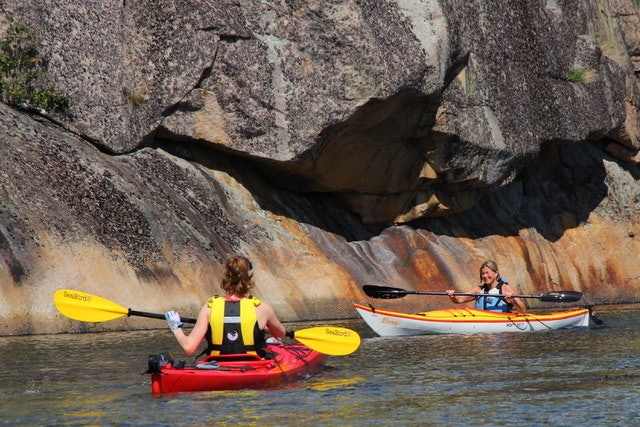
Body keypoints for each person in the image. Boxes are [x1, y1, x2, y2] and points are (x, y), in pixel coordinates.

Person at [164, 256, 286, 357]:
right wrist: (262, 328)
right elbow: (280, 334)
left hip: (217, 366)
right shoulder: (261, 308)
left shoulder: (209, 307)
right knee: (275, 343)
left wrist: (175, 327)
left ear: (226, 279)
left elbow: (188, 347)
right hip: (254, 364)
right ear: (250, 280)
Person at [445, 260, 527, 314]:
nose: (485, 276)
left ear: (496, 273)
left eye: (487, 273)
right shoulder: (479, 290)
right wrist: (453, 296)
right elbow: (459, 299)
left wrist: (514, 300)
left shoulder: (505, 288)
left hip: (500, 328)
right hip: (482, 323)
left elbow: (523, 311)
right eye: (483, 274)